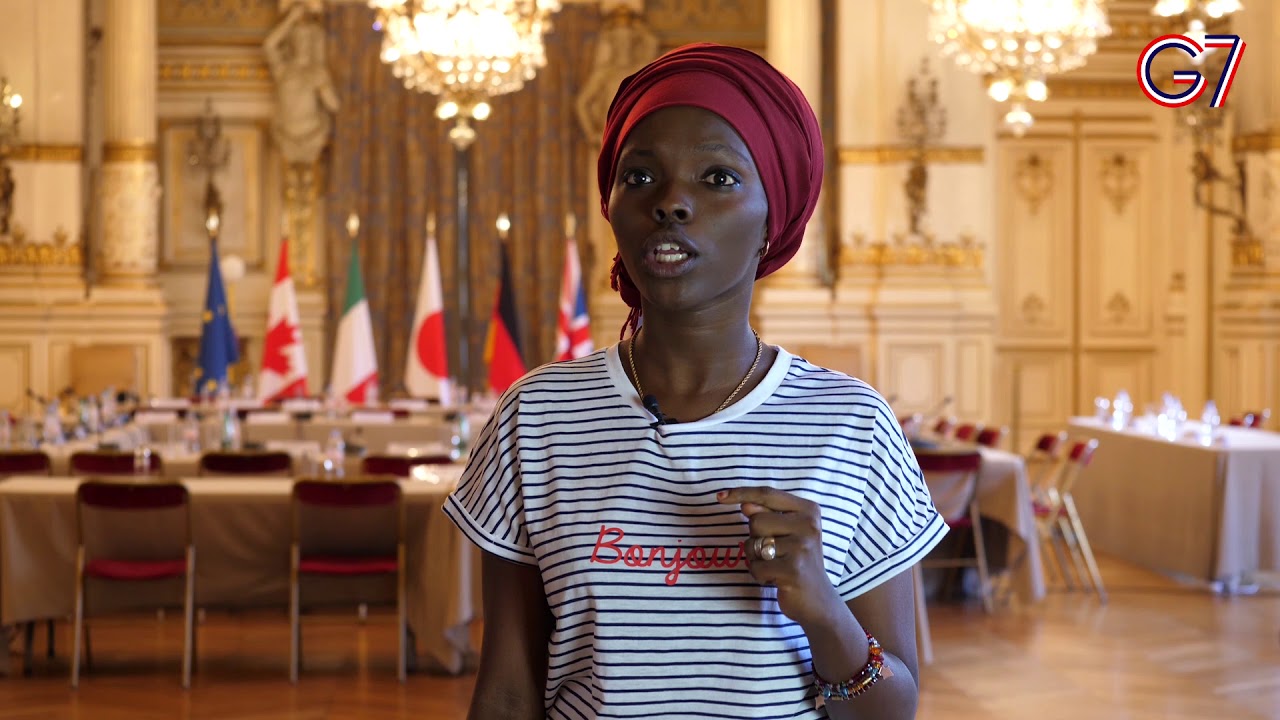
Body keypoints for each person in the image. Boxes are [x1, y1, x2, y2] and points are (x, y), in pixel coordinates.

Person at [444, 43, 946, 720]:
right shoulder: (536, 416)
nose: (672, 202)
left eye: (717, 178)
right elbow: (507, 693)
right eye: (640, 176)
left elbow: (894, 711)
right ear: (611, 206)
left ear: (773, 218)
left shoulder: (851, 424)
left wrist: (824, 610)